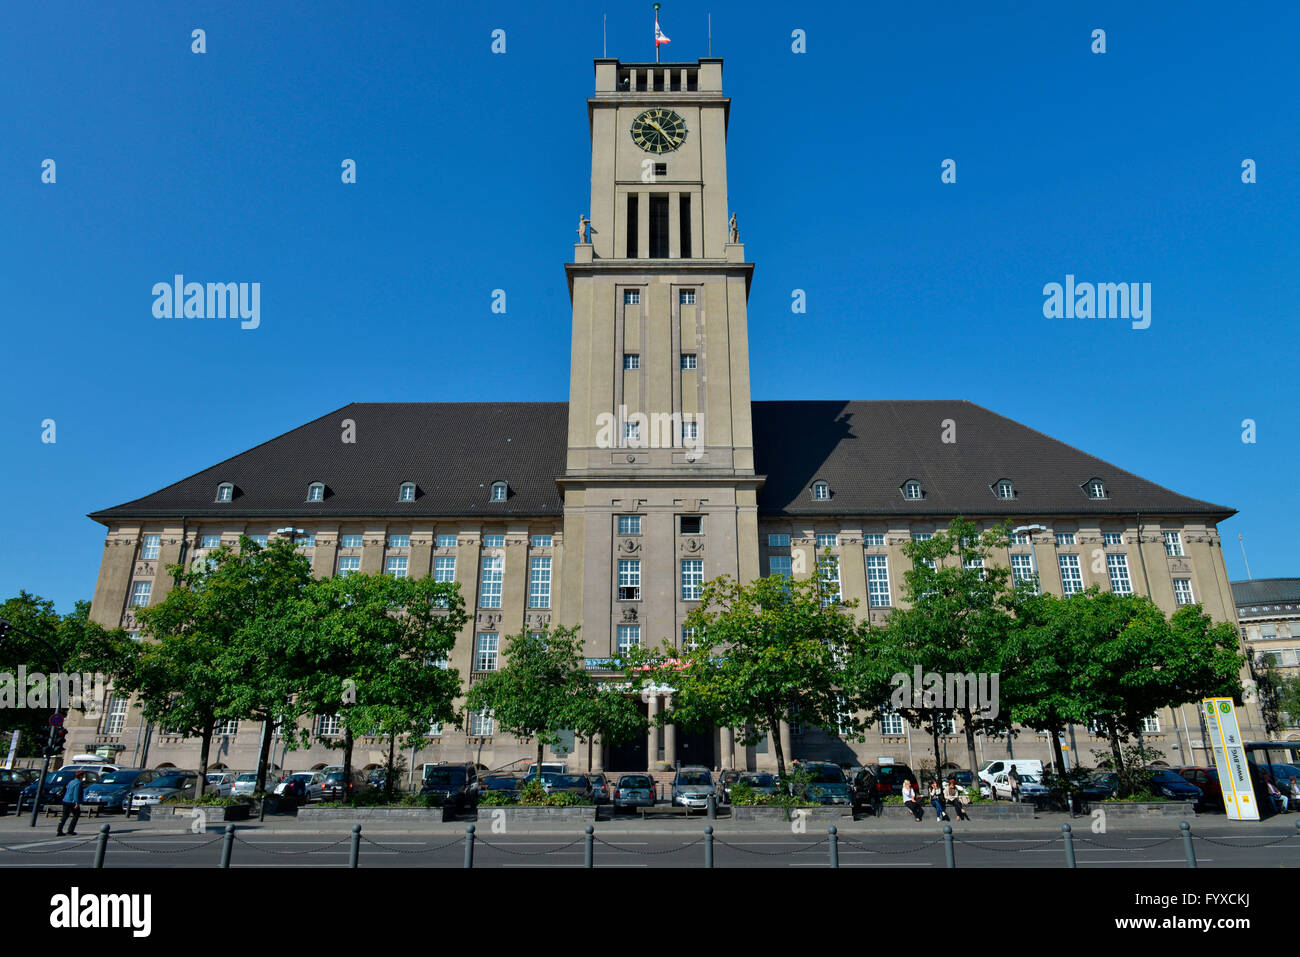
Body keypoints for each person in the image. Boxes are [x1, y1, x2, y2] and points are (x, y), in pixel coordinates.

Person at [56, 770, 84, 837]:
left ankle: (59, 829)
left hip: (65, 800)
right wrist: (77, 803)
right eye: (82, 775)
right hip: (72, 801)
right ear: (80, 776)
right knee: (76, 815)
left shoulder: (71, 782)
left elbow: (67, 789)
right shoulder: (78, 783)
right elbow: (76, 793)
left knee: (64, 816)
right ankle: (70, 830)